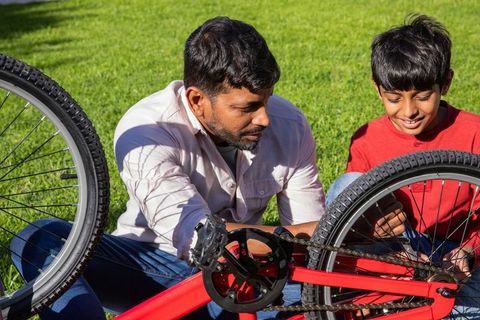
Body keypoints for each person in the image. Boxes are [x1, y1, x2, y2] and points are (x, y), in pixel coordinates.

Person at [10, 17, 327, 319]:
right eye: (247, 108)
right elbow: (203, 240)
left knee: (328, 292)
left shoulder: (290, 125)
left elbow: (310, 243)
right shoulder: (147, 130)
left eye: (267, 101)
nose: (264, 118)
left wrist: (308, 244)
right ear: (197, 99)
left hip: (247, 275)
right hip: (153, 272)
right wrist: (302, 236)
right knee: (38, 237)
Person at [327, 14, 480, 318]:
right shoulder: (367, 140)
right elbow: (348, 222)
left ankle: (396, 304)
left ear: (445, 83)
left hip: (457, 259)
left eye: (423, 97)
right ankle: (379, 291)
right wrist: (378, 239)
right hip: (394, 253)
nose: (409, 111)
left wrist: (470, 251)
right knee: (348, 187)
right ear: (377, 89)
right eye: (394, 98)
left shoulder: (474, 133)